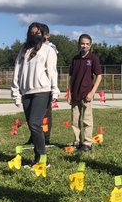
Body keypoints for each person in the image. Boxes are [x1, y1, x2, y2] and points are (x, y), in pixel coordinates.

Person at [11, 22, 59, 166]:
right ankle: (38, 157)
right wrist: (15, 93)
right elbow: (16, 72)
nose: (35, 35)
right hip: (26, 92)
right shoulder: (23, 50)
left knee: (34, 124)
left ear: (43, 34)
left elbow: (52, 72)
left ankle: (42, 159)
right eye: (32, 33)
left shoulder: (48, 50)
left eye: (38, 33)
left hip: (42, 91)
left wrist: (55, 90)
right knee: (32, 126)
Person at [67, 34, 103, 152]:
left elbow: (99, 76)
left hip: (87, 94)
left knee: (87, 120)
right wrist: (69, 93)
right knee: (74, 120)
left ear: (90, 45)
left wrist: (92, 92)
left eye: (87, 44)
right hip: (75, 95)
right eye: (82, 43)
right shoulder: (75, 59)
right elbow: (71, 77)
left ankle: (87, 143)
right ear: (79, 44)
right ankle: (77, 141)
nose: (84, 46)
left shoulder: (93, 58)